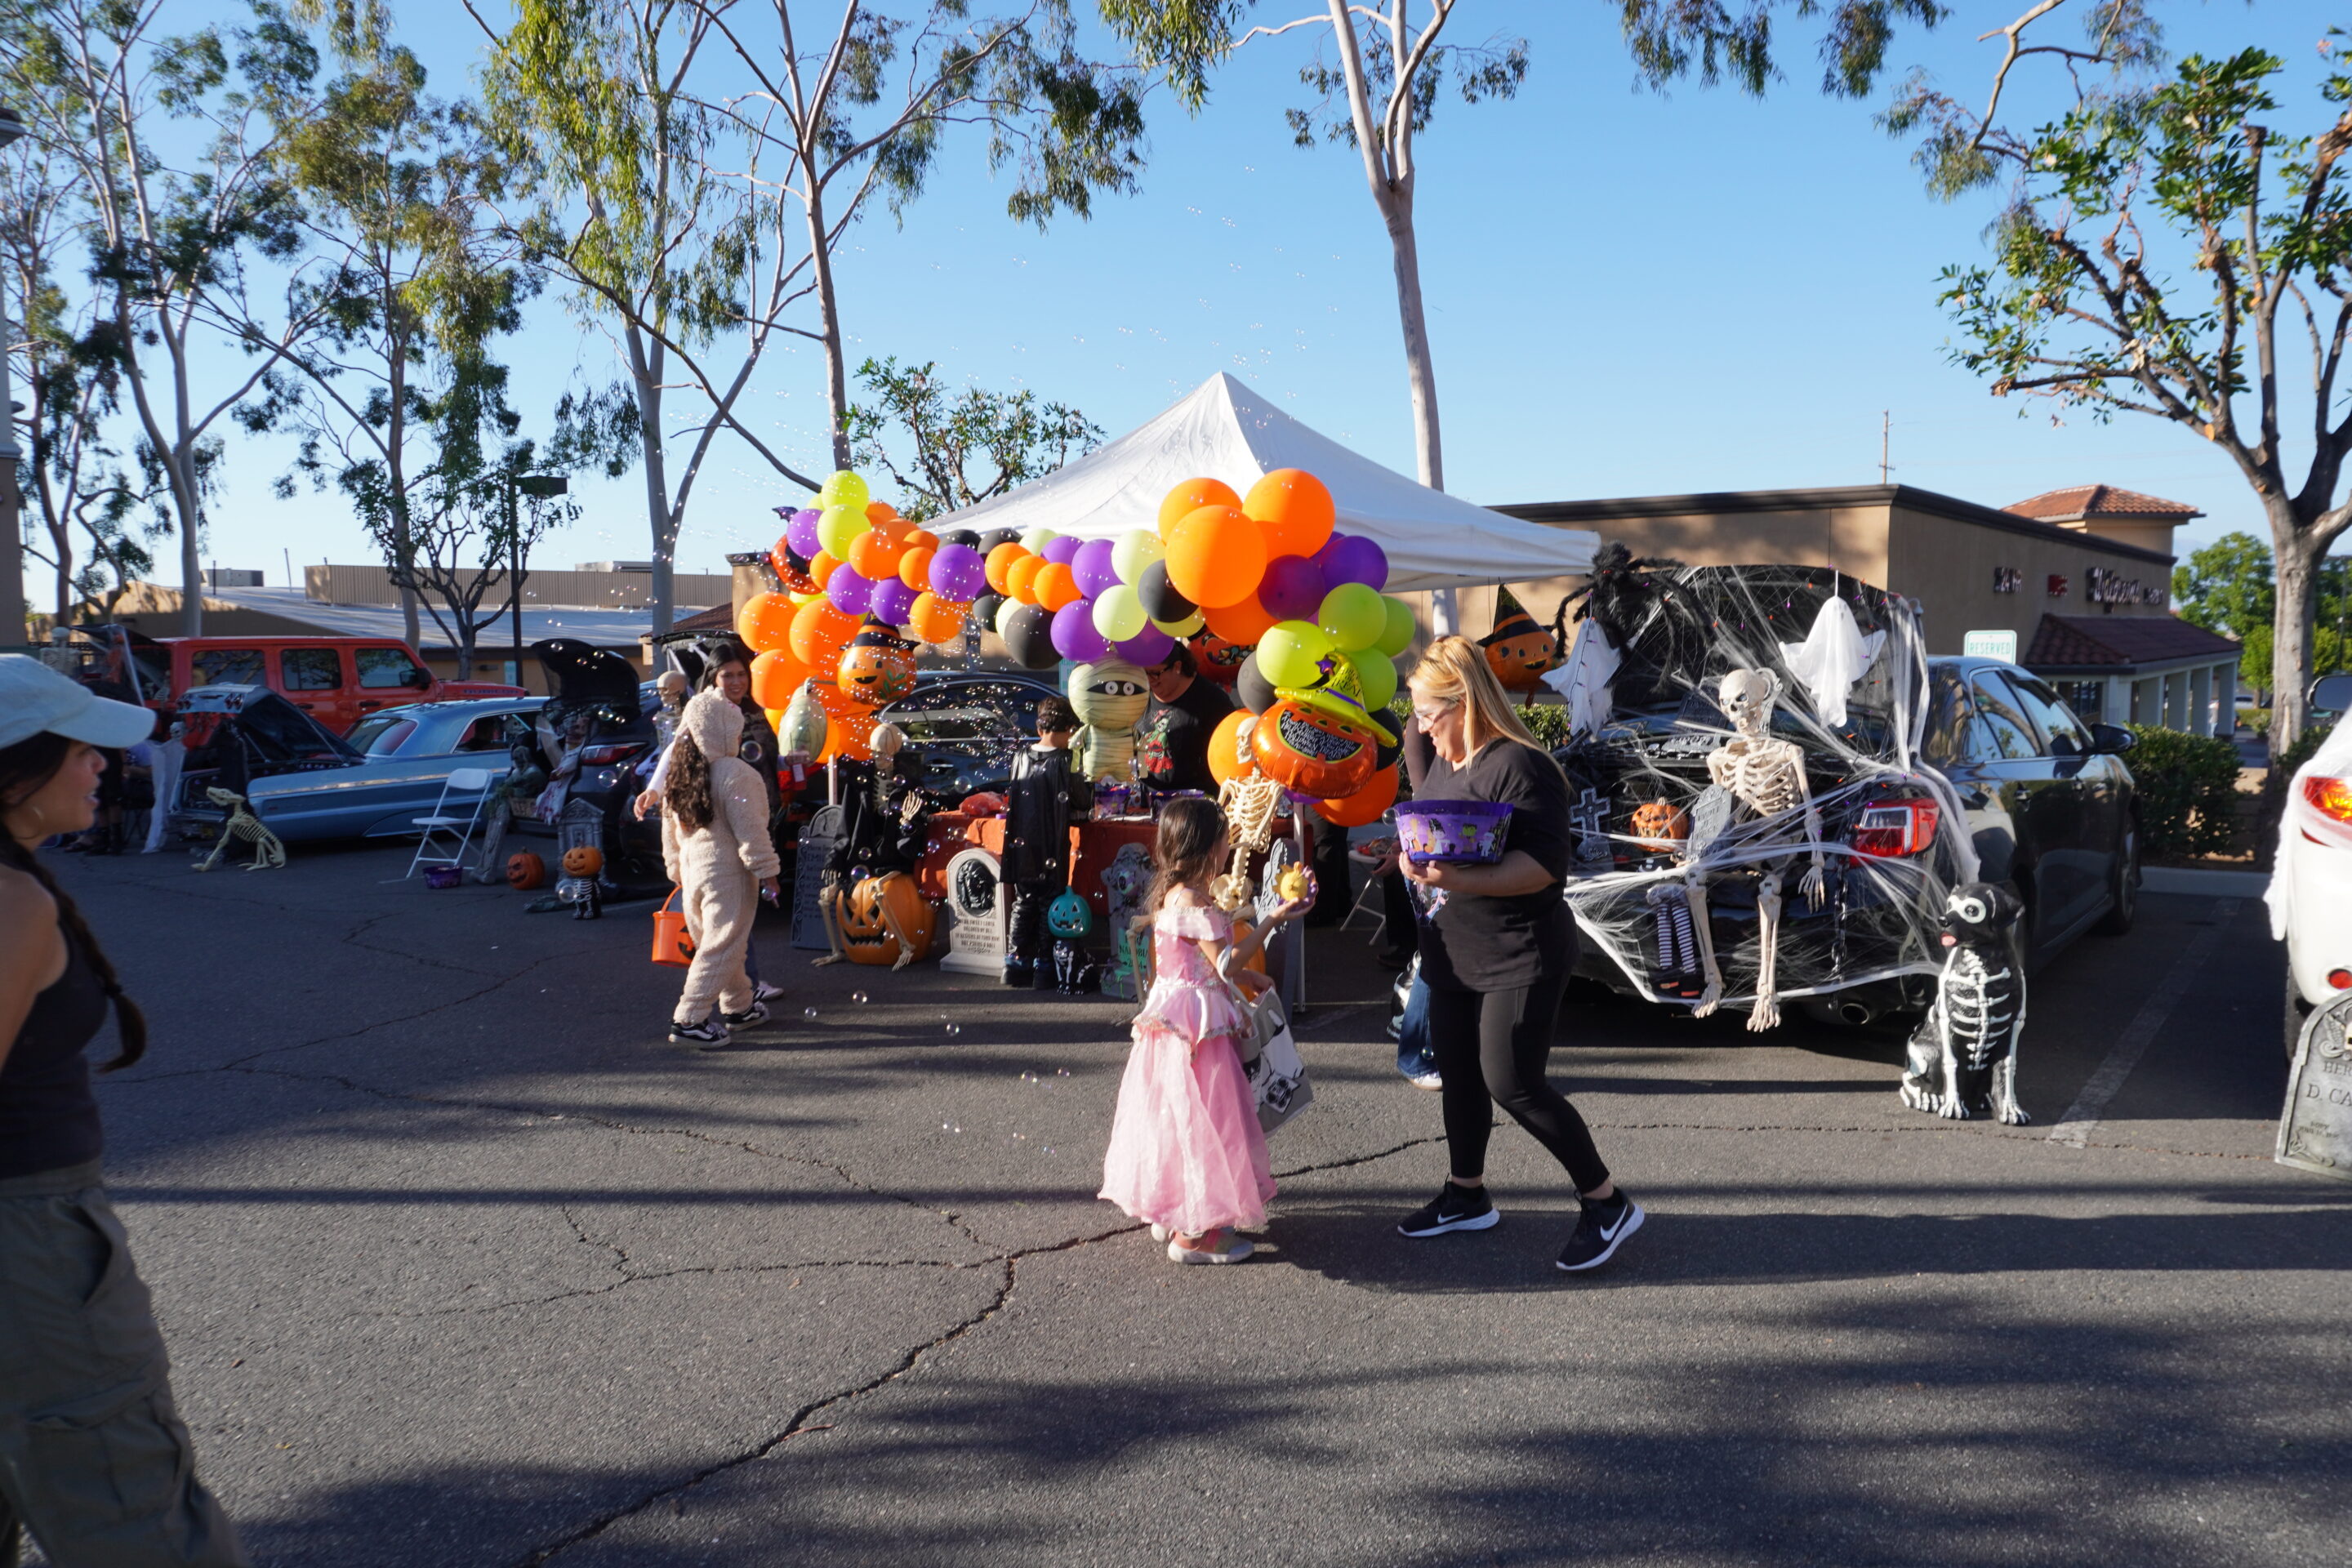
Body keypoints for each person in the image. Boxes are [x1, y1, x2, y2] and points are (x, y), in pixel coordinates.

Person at [0, 655, 250, 1566]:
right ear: (16, 770)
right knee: (132, 1512)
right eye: (80, 749)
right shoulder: (12, 900)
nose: (103, 763)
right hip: (28, 1245)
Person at [1395, 635, 1641, 1273]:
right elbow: (1438, 839)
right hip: (1454, 951)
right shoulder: (1444, 759)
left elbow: (1541, 869)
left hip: (1520, 952)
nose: (1420, 725)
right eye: (1418, 714)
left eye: (1428, 712)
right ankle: (1466, 1194)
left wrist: (1450, 880)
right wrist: (1409, 860)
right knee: (1459, 1075)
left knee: (1513, 1083)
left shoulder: (1521, 766)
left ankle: (1607, 1203)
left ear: (1465, 702)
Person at [1099, 796, 1303, 1263]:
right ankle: (1198, 1237)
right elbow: (1225, 961)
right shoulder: (1196, 901)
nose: (1228, 842)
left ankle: (1171, 1211)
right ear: (1209, 847)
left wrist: (1246, 977)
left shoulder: (1171, 895)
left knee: (1175, 1118)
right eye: (1224, 836)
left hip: (1171, 1019)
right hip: (1199, 1029)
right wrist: (1273, 916)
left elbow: (1199, 962)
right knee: (1209, 1122)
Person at [635, 646, 786, 1007]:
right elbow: (676, 750)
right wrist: (654, 790)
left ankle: (740, 1001)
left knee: (726, 930)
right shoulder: (707, 714)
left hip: (735, 825)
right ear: (713, 679)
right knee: (726, 934)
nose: (736, 681)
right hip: (726, 834)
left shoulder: (751, 713)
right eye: (727, 675)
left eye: (741, 674)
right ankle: (691, 1016)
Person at [661, 692, 782, 1049]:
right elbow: (751, 829)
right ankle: (689, 1018)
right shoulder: (735, 772)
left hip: (692, 873)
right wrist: (767, 871)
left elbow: (668, 828)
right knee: (722, 947)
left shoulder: (682, 771)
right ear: (727, 729)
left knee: (723, 945)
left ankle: (739, 1006)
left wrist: (673, 866)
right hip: (727, 874)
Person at [1002, 696, 1094, 989]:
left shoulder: (1019, 756)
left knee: (1022, 901)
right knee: (1049, 903)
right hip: (1052, 843)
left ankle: (1015, 964)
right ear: (1066, 729)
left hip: (1022, 845)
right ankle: (1044, 966)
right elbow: (1081, 799)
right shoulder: (1066, 760)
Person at [1135, 644, 1234, 796]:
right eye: (1144, 673)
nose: (1149, 680)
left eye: (1155, 673)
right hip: (1148, 800)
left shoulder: (1212, 700)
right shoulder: (1140, 696)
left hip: (1196, 803)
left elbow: (1230, 752)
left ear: (1177, 667)